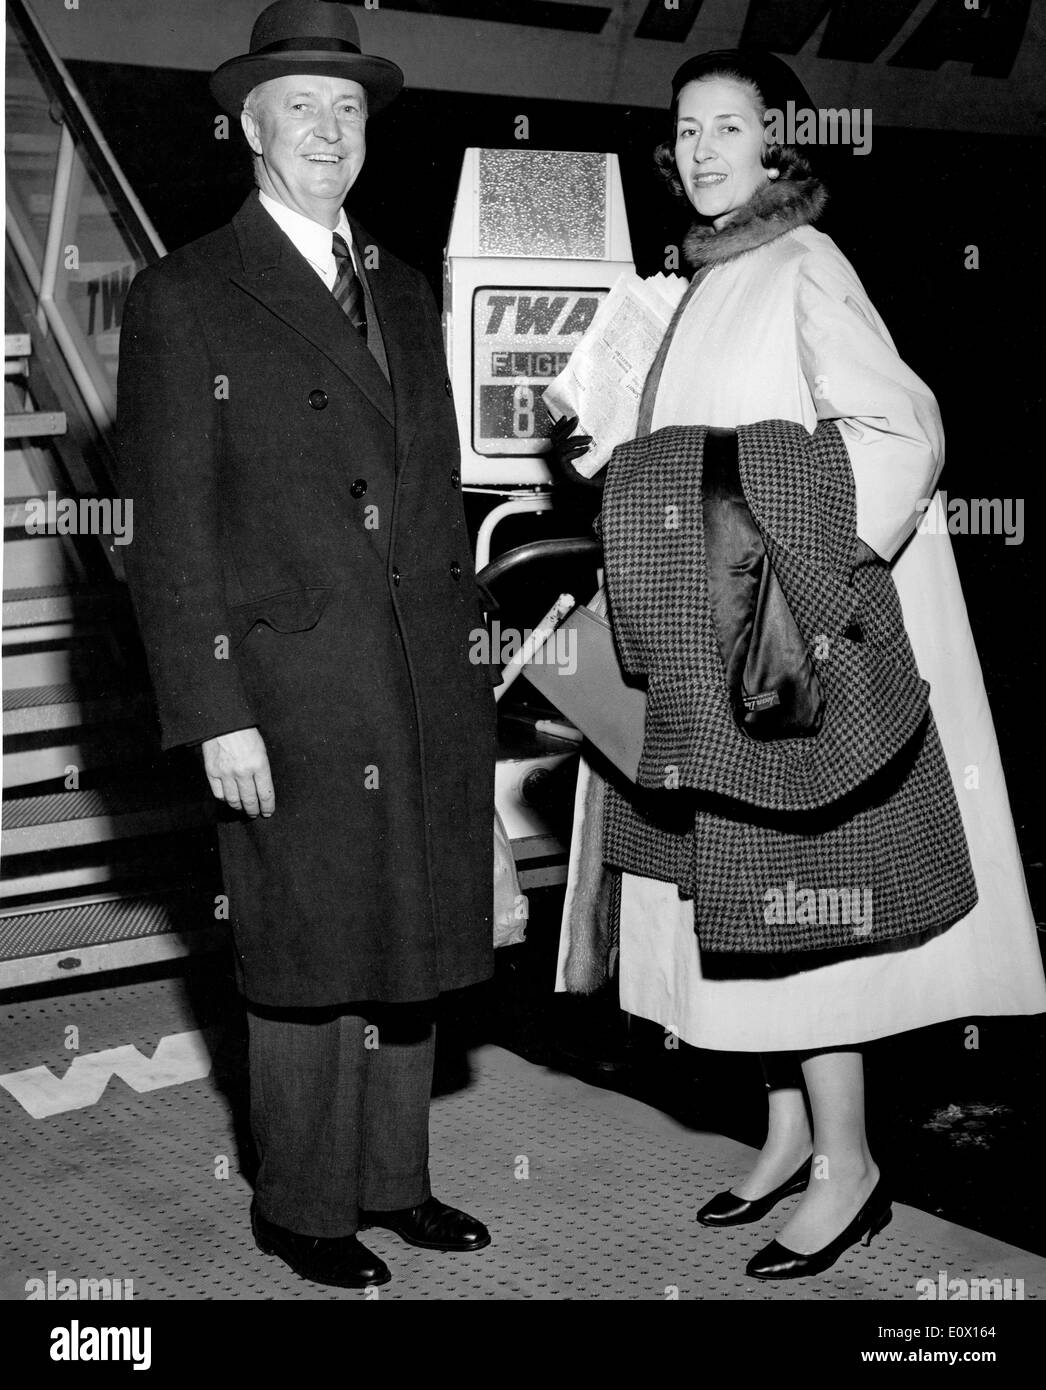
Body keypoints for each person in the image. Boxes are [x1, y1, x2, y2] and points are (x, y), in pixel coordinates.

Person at [554, 48, 1046, 1280]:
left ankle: (851, 1164)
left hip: (786, 641)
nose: (707, 148)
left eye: (733, 127)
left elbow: (901, 428)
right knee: (730, 893)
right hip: (709, 631)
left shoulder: (800, 261)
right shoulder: (698, 275)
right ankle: (781, 1132)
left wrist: (809, 571)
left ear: (778, 143)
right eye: (689, 129)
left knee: (798, 899)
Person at [116, 0, 497, 1290]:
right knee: (304, 953)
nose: (330, 130)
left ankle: (396, 1184)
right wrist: (213, 707)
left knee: (409, 941)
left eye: (348, 110)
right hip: (287, 686)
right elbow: (164, 531)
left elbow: (434, 494)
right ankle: (302, 1207)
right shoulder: (185, 295)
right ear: (250, 129)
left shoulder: (403, 283)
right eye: (301, 108)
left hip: (417, 675)